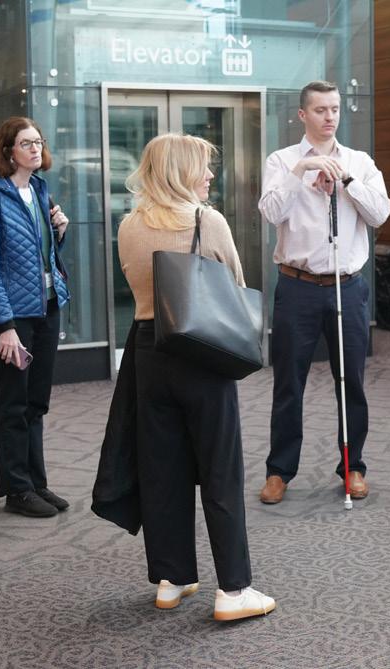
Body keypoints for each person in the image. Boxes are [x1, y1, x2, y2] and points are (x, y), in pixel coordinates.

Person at [115, 132, 275, 620]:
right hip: (201, 353)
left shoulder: (130, 225)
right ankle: (234, 590)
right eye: (202, 167)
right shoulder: (208, 221)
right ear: (180, 172)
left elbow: (138, 287)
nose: (209, 175)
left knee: (163, 469)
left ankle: (173, 578)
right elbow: (236, 286)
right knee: (220, 470)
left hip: (148, 352)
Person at [257, 80, 390, 505]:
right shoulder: (282, 161)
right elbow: (271, 212)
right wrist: (302, 171)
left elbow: (380, 213)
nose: (329, 116)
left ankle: (353, 466)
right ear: (302, 115)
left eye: (334, 108)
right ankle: (279, 471)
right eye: (320, 109)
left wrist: (347, 181)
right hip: (297, 286)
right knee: (288, 382)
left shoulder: (359, 162)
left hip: (346, 287)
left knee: (351, 381)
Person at [0, 116, 71, 518]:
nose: (35, 149)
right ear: (8, 151)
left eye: (38, 142)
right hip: (12, 318)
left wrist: (58, 232)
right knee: (13, 403)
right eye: (26, 143)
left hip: (45, 307)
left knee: (36, 401)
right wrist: (5, 327)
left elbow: (39, 256)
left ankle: (36, 482)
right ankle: (17, 489)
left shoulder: (39, 190)